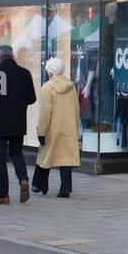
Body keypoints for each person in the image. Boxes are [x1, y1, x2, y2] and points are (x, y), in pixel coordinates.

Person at [0, 44, 37, 205]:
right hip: (18, 121)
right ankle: (23, 179)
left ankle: (3, 194)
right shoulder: (24, 73)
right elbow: (32, 99)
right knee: (16, 152)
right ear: (12, 57)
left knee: (0, 159)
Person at [32, 57, 81, 198]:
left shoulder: (47, 87)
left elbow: (45, 113)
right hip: (69, 127)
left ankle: (40, 184)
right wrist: (76, 126)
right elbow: (77, 109)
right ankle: (65, 188)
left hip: (52, 127)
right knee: (66, 157)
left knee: (45, 155)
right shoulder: (70, 86)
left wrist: (41, 131)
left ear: (50, 72)